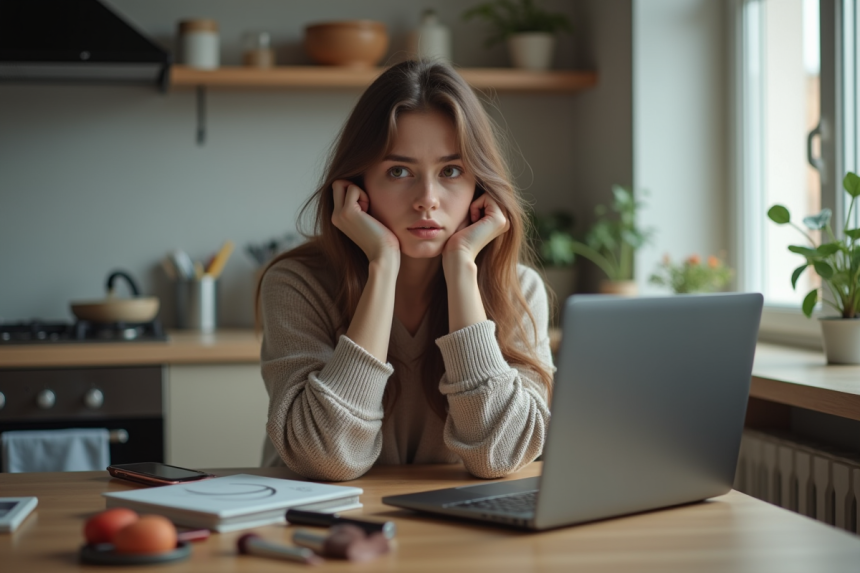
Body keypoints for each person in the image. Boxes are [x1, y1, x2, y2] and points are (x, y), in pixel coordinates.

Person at [257, 60, 553, 482]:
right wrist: (381, 266)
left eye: (451, 171)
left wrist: (462, 270)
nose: (427, 199)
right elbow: (328, 458)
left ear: (479, 186)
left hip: (458, 532)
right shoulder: (296, 284)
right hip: (327, 527)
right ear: (357, 186)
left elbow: (499, 456)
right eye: (399, 172)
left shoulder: (519, 289)